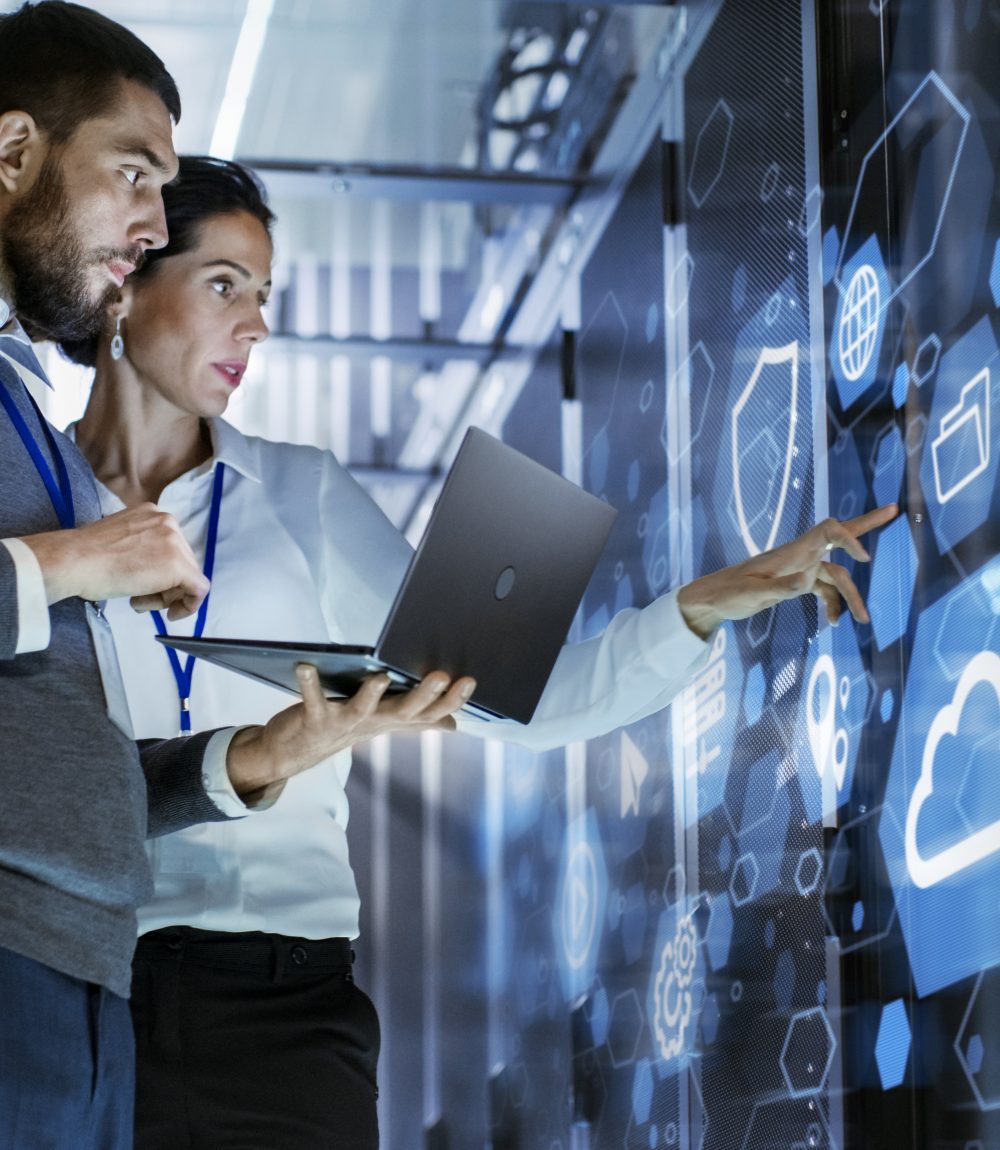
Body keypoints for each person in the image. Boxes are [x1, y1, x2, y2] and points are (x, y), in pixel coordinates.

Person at [64, 154, 897, 1149]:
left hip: (283, 1008)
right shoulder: (33, 512)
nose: (257, 324)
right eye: (224, 285)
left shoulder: (303, 495)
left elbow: (521, 702)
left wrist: (705, 604)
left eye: (266, 296)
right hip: (83, 993)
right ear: (128, 280)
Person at [0, 6, 471, 1148]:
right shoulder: (58, 476)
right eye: (134, 173)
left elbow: (65, 756)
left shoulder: (15, 401)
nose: (147, 223)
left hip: (83, 961)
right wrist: (78, 560)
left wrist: (259, 758)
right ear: (15, 153)